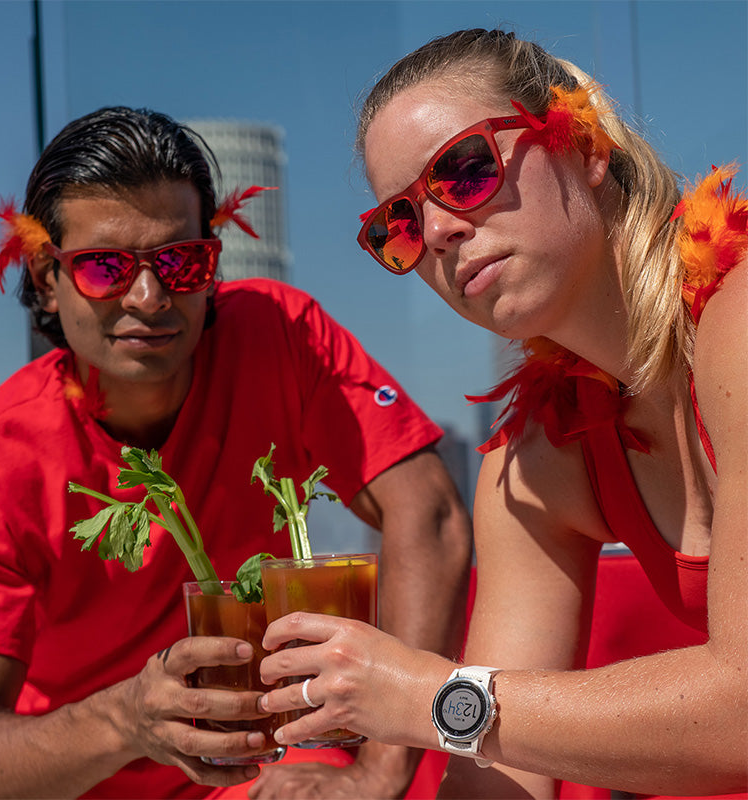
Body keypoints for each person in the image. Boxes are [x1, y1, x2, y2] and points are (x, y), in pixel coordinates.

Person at [256, 28, 748, 798]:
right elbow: (496, 785)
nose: (443, 232)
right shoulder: (538, 459)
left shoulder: (741, 321)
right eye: (402, 226)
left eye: (465, 170)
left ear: (583, 142)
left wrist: (425, 696)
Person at [0, 106, 473, 799]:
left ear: (211, 261)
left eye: (178, 260)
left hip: (269, 770)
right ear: (46, 277)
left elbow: (429, 516)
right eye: (104, 266)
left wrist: (381, 769)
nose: (149, 296)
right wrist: (126, 719)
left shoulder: (281, 334)